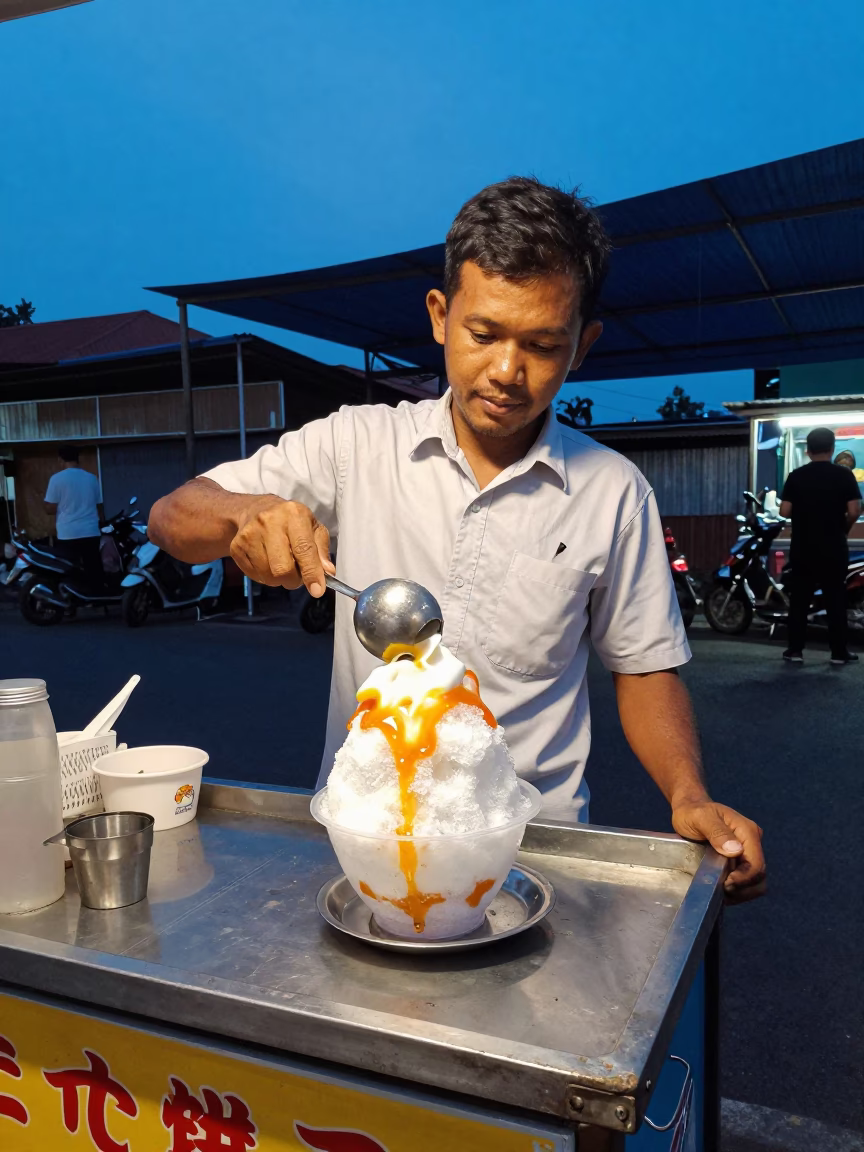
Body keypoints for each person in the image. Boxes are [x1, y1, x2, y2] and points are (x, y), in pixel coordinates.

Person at [149, 177, 765, 901]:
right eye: (484, 334)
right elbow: (173, 517)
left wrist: (688, 793)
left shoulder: (613, 491)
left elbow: (645, 667)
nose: (508, 371)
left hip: (535, 852)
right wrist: (243, 514)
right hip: (366, 842)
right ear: (441, 316)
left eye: (542, 344)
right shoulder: (356, 444)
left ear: (583, 346)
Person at [780, 427, 862, 665]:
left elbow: (785, 511)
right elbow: (855, 510)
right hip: (834, 546)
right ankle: (838, 653)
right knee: (836, 598)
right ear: (832, 448)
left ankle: (795, 650)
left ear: (807, 451)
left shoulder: (796, 476)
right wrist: (842, 529)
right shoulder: (844, 475)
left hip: (803, 546)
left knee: (800, 599)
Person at [43, 445, 104, 584]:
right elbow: (99, 506)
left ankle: (74, 598)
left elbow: (50, 509)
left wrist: (46, 505)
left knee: (70, 568)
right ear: (78, 459)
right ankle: (95, 597)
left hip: (68, 533)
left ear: (60, 459)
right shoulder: (92, 478)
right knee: (93, 567)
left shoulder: (56, 479)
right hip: (90, 531)